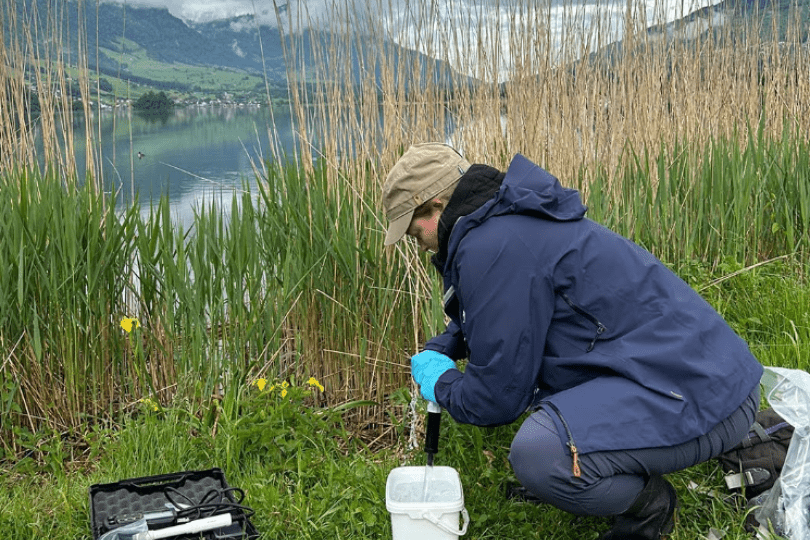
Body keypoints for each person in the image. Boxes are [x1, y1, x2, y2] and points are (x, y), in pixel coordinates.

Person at [381, 142, 763, 540]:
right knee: (547, 405)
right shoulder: (507, 222)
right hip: (703, 375)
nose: (418, 242)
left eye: (413, 229)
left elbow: (496, 399)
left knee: (540, 454)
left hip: (707, 399)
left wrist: (442, 385)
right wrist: (449, 344)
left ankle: (647, 508)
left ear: (437, 204)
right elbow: (505, 314)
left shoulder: (492, 247)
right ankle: (597, 471)